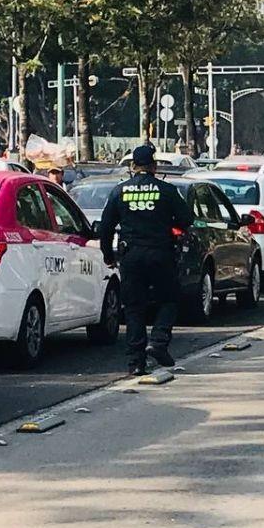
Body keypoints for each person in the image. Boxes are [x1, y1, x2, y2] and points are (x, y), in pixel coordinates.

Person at [98, 144, 192, 375]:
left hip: (131, 255)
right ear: (154, 165)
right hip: (160, 253)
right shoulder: (166, 190)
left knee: (133, 308)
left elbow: (106, 226)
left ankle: (136, 362)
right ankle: (158, 342)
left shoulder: (119, 191)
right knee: (169, 299)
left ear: (132, 166)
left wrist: (108, 256)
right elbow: (186, 219)